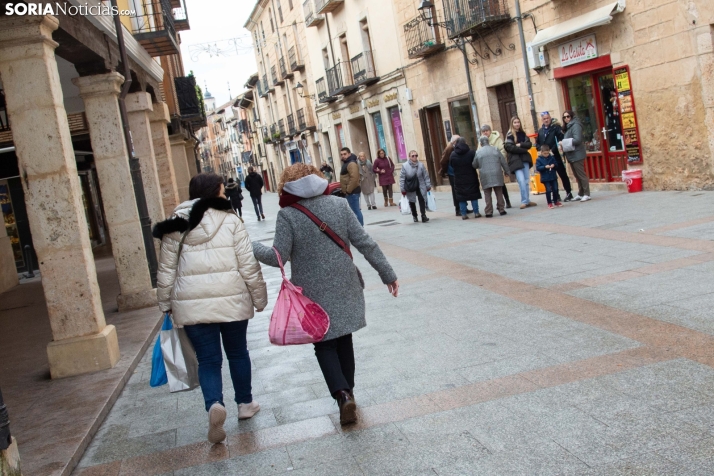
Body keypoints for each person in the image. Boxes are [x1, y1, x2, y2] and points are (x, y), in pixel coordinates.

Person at [252, 164, 398, 425]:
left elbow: (278, 257)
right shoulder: (339, 205)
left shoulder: (288, 215)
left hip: (312, 290)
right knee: (344, 338)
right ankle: (349, 392)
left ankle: (342, 395)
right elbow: (365, 242)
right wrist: (387, 274)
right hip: (345, 282)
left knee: (323, 343)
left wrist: (250, 246)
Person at [153, 173, 268, 445]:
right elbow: (248, 265)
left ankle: (214, 404)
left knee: (208, 360)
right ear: (216, 193)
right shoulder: (231, 220)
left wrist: (165, 303)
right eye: (221, 190)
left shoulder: (174, 225)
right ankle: (245, 404)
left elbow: (166, 270)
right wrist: (259, 298)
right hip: (233, 299)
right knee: (238, 352)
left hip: (192, 304)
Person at [536, 111, 574, 201]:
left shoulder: (556, 128)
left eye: (547, 118)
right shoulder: (541, 131)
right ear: (542, 120)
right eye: (544, 119)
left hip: (556, 156)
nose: (546, 120)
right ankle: (556, 195)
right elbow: (537, 143)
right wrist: (540, 149)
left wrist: (552, 150)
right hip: (546, 158)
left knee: (562, 174)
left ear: (550, 118)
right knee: (551, 176)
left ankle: (569, 193)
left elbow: (560, 139)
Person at [504, 116, 537, 210]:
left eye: (518, 122)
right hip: (515, 161)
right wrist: (522, 149)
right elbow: (509, 147)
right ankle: (524, 201)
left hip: (525, 159)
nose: (517, 124)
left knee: (526, 181)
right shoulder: (510, 135)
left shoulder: (523, 134)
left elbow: (529, 145)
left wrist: (520, 145)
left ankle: (527, 200)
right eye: (515, 122)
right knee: (521, 181)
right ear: (512, 124)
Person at [473, 135, 510, 217]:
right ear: (488, 142)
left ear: (481, 143)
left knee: (487, 193)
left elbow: (474, 165)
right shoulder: (495, 149)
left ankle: (489, 211)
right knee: (499, 192)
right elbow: (503, 161)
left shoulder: (478, 152)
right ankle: (501, 209)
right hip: (497, 173)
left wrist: (481, 165)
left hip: (484, 174)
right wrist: (507, 171)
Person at [561, 110, 591, 202]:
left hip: (577, 153)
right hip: (571, 154)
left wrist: (564, 142)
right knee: (576, 175)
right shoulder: (568, 126)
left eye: (568, 116)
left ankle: (587, 193)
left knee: (581, 174)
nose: (566, 118)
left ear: (572, 116)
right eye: (564, 117)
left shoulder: (575, 125)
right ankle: (580, 193)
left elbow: (577, 139)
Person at [479, 125, 512, 209]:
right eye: (483, 131)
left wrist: (497, 159)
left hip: (497, 165)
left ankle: (507, 201)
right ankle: (492, 207)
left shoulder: (497, 139)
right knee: (488, 189)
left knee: (501, 185)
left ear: (490, 131)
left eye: (487, 131)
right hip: (486, 168)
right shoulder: (480, 142)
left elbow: (502, 151)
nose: (485, 133)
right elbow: (478, 154)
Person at [450, 138, 482, 220]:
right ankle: (476, 212)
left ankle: (463, 214)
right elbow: (475, 163)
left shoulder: (453, 154)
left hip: (459, 178)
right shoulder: (471, 153)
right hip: (471, 177)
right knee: (473, 195)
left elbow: (451, 164)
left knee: (461, 197)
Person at [439, 134, 470, 217]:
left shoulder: (457, 147)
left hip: (458, 172)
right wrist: (444, 171)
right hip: (452, 172)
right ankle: (458, 209)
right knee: (456, 191)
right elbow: (443, 160)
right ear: (454, 142)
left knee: (461, 189)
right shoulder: (450, 148)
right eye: (459, 140)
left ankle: (464, 208)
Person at [400, 150, 431, 223]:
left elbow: (425, 176)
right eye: (413, 156)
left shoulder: (421, 165)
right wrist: (402, 189)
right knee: (412, 201)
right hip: (410, 185)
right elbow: (402, 178)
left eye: (416, 155)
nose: (415, 157)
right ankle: (414, 216)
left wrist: (428, 185)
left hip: (420, 184)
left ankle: (423, 215)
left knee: (422, 199)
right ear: (409, 157)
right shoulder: (405, 165)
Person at [339, 147, 364, 226]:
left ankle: (360, 229)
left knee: (355, 211)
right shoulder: (347, 162)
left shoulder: (351, 163)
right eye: (341, 154)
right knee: (354, 211)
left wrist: (348, 191)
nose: (343, 156)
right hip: (350, 192)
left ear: (349, 154)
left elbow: (354, 178)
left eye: (345, 154)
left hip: (352, 192)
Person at [535, 144, 562, 209]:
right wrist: (544, 167)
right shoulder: (539, 159)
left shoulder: (552, 157)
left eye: (547, 153)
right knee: (548, 190)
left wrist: (554, 165)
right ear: (541, 152)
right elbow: (538, 168)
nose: (546, 155)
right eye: (545, 153)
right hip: (545, 177)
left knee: (555, 189)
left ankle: (556, 201)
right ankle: (549, 202)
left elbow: (556, 165)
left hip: (553, 176)